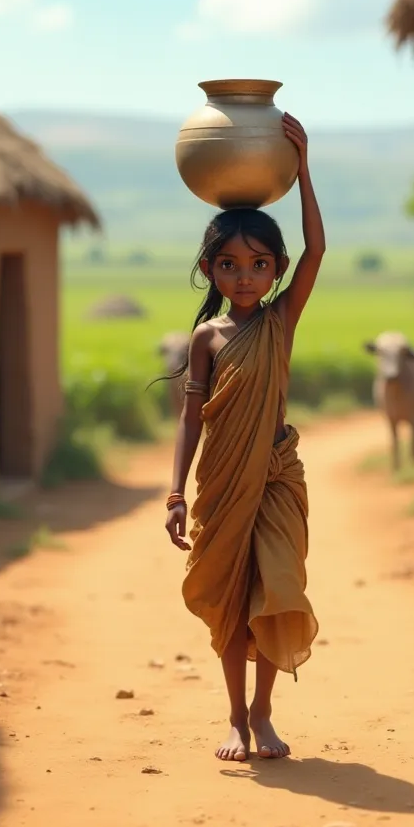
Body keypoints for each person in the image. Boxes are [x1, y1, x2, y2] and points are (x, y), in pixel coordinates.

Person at [164, 113, 325, 762]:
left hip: (277, 480)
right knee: (233, 602)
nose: (246, 277)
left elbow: (317, 251)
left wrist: (304, 167)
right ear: (209, 269)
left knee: (275, 591)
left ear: (277, 268)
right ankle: (234, 717)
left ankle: (264, 713)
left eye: (259, 264)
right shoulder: (207, 339)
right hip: (223, 486)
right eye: (229, 265)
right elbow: (189, 418)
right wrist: (175, 492)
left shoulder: (281, 319)